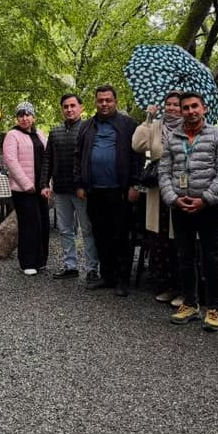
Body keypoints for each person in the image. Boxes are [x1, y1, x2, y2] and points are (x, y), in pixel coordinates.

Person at [158, 91, 218, 330]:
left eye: (194, 107)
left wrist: (205, 199)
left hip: (207, 207)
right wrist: (172, 198)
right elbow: (164, 173)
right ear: (180, 111)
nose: (190, 111)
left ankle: (214, 307)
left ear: (204, 108)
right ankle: (190, 303)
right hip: (180, 207)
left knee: (211, 256)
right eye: (186, 108)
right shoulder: (173, 138)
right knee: (185, 257)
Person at [74, 85, 142, 296]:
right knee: (100, 235)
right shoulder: (87, 126)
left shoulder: (128, 124)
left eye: (108, 100)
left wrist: (134, 184)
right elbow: (78, 156)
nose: (104, 104)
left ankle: (123, 279)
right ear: (95, 102)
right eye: (100, 100)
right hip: (95, 191)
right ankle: (107, 275)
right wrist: (79, 184)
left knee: (121, 236)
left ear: (116, 102)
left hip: (120, 191)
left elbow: (138, 157)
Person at [40, 93, 99, 281]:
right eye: (65, 106)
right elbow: (48, 158)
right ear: (62, 109)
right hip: (60, 189)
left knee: (87, 229)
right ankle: (70, 265)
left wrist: (85, 184)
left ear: (81, 107)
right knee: (65, 229)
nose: (69, 109)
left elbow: (91, 160)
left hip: (81, 190)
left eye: (73, 105)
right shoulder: (55, 131)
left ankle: (91, 268)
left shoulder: (88, 129)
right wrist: (44, 183)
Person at [132, 91, 181, 304]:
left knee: (179, 239)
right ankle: (166, 285)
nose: (172, 108)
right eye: (168, 104)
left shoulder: (188, 128)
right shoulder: (156, 126)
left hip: (180, 190)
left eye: (176, 105)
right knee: (160, 240)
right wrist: (149, 119)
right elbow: (137, 145)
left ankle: (182, 287)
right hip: (157, 192)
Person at [3, 102, 49, 276]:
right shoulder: (12, 135)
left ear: (33, 117)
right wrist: (26, 184)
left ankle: (41, 259)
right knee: (29, 224)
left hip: (41, 187)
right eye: (21, 115)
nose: (24, 118)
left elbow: (48, 157)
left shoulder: (40, 134)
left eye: (27, 114)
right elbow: (11, 162)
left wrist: (46, 183)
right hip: (24, 190)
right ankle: (28, 261)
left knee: (43, 223)